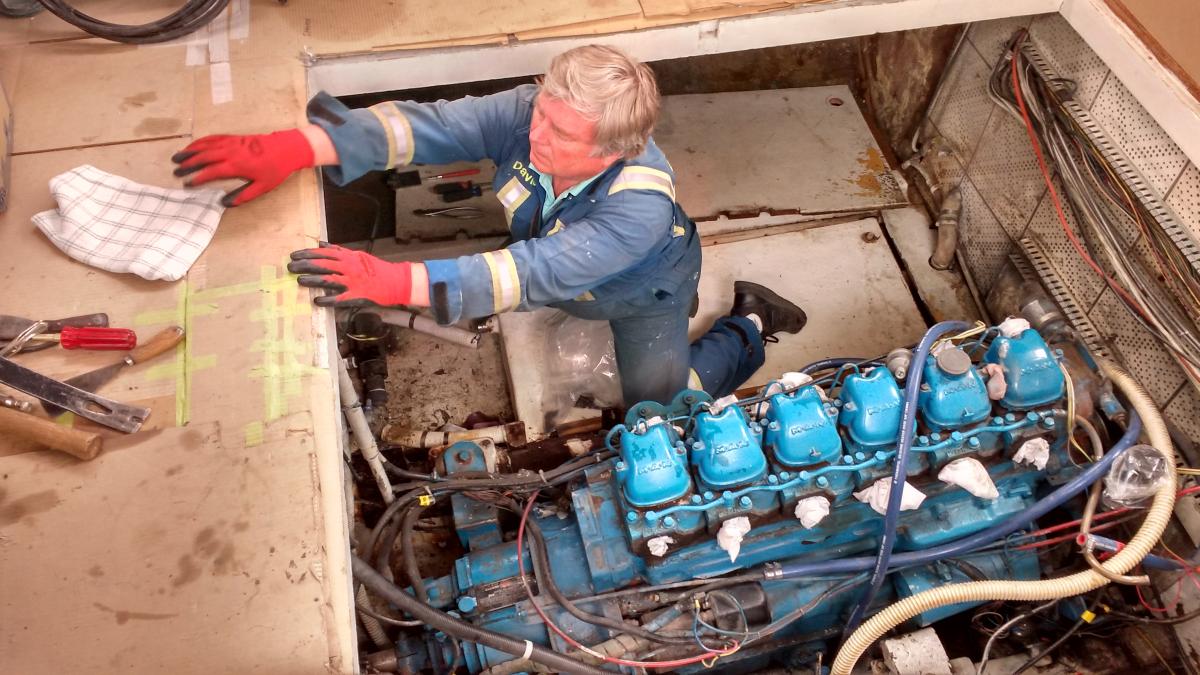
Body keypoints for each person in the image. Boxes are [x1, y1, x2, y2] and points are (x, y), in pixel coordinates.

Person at [172, 44, 807, 406]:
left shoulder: (634, 211)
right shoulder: (536, 115)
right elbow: (435, 127)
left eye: (560, 134)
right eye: (541, 114)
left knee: (660, 408)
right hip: (573, 284)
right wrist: (302, 146)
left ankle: (751, 322)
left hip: (646, 292)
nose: (534, 135)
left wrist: (393, 283)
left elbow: (526, 273)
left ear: (614, 149)